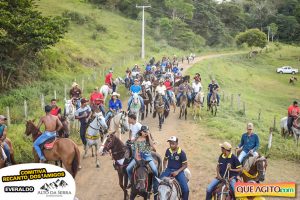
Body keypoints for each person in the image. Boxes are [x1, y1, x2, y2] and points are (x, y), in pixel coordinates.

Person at [126, 125, 158, 191]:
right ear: (141, 131)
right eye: (144, 131)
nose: (145, 133)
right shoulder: (137, 139)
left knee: (155, 170)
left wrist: (149, 136)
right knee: (128, 168)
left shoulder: (148, 138)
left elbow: (152, 146)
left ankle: (154, 184)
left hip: (147, 156)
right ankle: (132, 182)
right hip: (139, 156)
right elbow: (136, 150)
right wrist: (137, 157)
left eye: (146, 131)